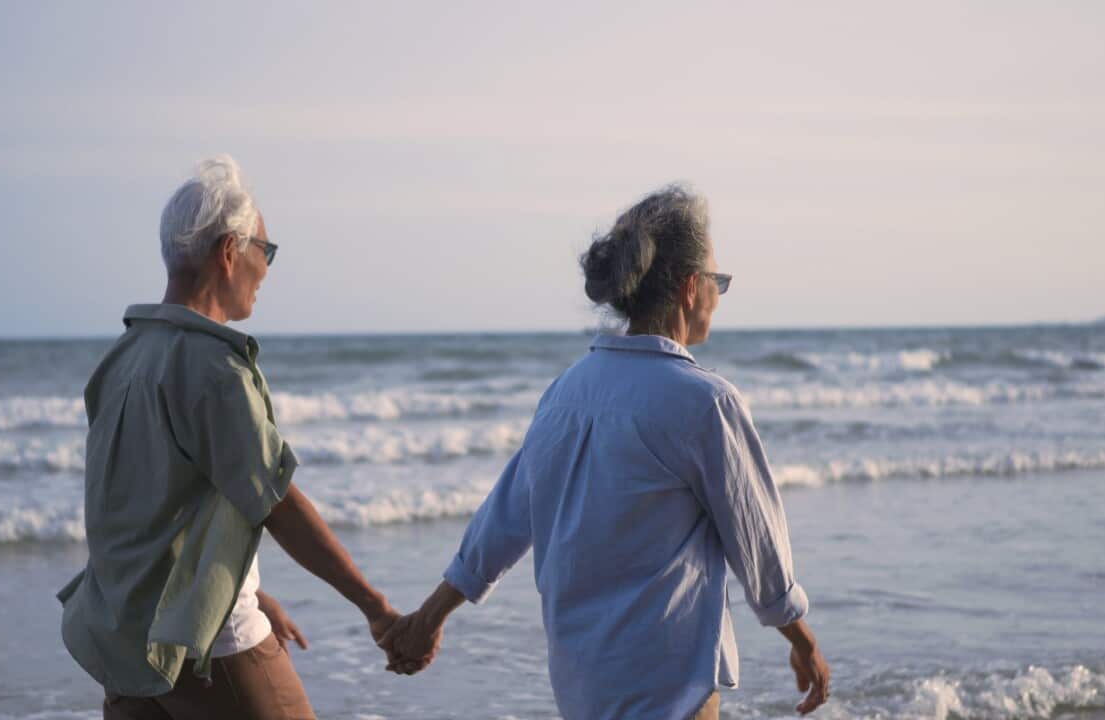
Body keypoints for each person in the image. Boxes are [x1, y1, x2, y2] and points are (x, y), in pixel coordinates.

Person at [380, 186, 831, 719]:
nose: (718, 295)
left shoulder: (566, 392)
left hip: (581, 683)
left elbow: (501, 521)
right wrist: (802, 640)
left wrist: (431, 616)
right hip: (672, 687)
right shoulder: (706, 402)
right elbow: (758, 550)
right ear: (691, 288)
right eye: (718, 281)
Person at [57, 156, 399, 720]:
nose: (266, 266)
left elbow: (150, 507)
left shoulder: (122, 359)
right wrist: (377, 608)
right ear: (228, 252)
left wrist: (253, 591)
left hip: (125, 645)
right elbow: (278, 504)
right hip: (209, 649)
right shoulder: (215, 367)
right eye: (265, 249)